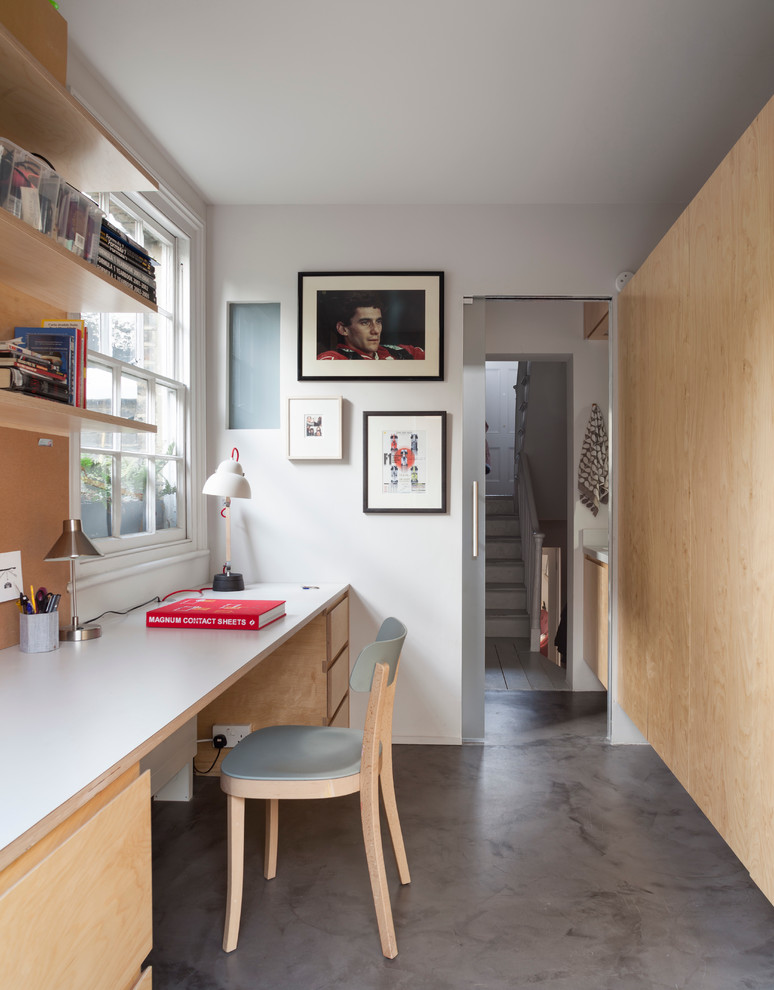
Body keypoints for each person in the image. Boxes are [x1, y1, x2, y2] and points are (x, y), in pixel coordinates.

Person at [317, 292, 425, 361]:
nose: (376, 330)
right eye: (365, 322)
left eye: (378, 322)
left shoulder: (403, 351)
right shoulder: (333, 359)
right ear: (343, 329)